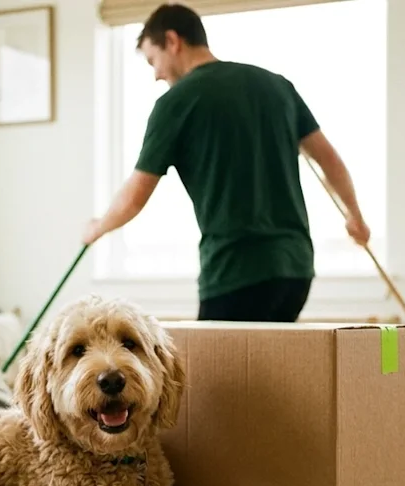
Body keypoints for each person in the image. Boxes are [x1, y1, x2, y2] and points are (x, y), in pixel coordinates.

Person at [82, 2, 370, 322]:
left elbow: (134, 197)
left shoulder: (174, 104)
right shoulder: (277, 86)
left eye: (154, 60)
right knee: (266, 369)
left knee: (213, 372)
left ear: (173, 41)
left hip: (235, 272)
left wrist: (99, 227)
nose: (156, 74)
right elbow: (330, 160)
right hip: (295, 271)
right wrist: (355, 217)